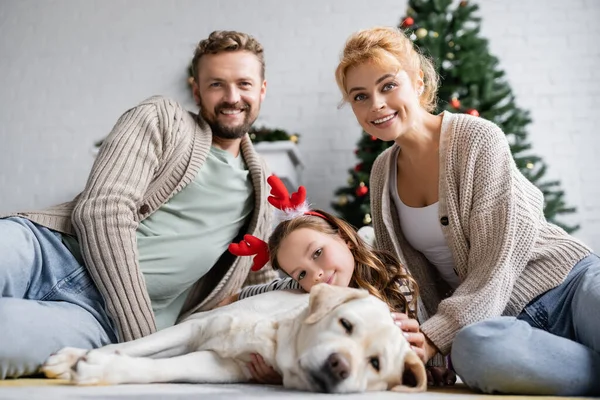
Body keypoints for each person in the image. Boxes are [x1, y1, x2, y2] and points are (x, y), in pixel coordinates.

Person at [334, 25, 600, 396]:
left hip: (570, 284)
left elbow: (498, 260)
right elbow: (406, 281)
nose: (375, 103)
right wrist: (430, 352)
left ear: (419, 81)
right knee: (475, 352)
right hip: (500, 327)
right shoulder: (381, 173)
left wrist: (434, 336)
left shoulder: (478, 138)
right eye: (360, 96)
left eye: (388, 85)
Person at [0, 30, 279, 379]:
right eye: (216, 85)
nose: (232, 97)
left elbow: (261, 280)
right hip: (46, 251)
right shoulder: (162, 119)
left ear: (262, 90)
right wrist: (143, 341)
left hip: (97, 320)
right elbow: (103, 211)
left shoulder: (264, 189)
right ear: (197, 91)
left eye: (244, 84)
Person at [222, 176, 452, 386]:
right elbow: (242, 297)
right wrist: (284, 373)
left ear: (344, 238)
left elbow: (419, 341)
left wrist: (428, 364)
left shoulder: (394, 280)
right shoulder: (301, 290)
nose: (316, 275)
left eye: (317, 253)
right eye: (301, 274)